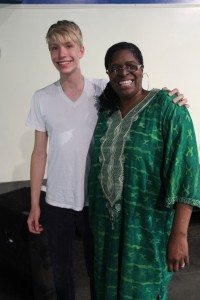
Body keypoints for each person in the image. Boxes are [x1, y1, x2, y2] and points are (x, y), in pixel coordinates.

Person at [26, 20, 188, 300]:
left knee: (98, 270)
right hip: (57, 201)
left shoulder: (102, 90)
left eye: (68, 46)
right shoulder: (42, 98)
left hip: (95, 202)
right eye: (54, 48)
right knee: (62, 274)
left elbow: (137, 91)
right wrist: (33, 205)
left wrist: (172, 97)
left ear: (81, 50)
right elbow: (39, 152)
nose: (62, 54)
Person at [88, 42, 200, 300]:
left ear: (142, 69)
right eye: (115, 68)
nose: (123, 73)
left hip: (147, 232)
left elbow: (186, 172)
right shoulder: (106, 113)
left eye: (130, 66)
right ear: (108, 74)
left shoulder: (167, 107)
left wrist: (180, 235)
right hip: (106, 232)